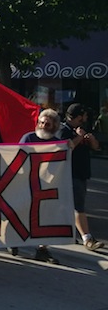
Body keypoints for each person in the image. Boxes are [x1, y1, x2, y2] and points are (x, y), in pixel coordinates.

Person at [14, 109, 66, 263]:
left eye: (47, 124)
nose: (43, 126)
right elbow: (17, 157)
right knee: (21, 213)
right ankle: (15, 240)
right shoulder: (28, 137)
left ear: (54, 126)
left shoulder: (56, 143)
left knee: (45, 217)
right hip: (26, 183)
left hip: (46, 186)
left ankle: (42, 249)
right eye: (41, 122)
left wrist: (69, 146)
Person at [60, 103, 104, 251]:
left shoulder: (84, 129)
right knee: (79, 207)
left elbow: (97, 148)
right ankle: (87, 238)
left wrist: (92, 141)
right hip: (70, 173)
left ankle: (70, 233)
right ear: (79, 116)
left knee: (73, 205)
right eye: (84, 115)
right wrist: (79, 137)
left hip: (82, 173)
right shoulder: (63, 129)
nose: (86, 118)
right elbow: (65, 148)